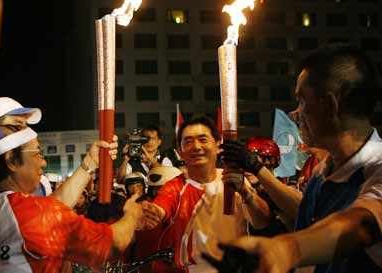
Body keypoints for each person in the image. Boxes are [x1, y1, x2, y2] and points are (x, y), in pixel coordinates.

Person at [219, 45, 382, 273]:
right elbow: (306, 218)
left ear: (330, 105)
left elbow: (361, 225)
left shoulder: (377, 168)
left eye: (302, 101)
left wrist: (286, 249)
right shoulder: (322, 172)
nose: (295, 113)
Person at [0, 125, 143, 272]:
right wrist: (132, 214)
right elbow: (113, 244)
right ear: (11, 160)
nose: (44, 162)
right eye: (38, 153)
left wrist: (91, 162)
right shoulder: (30, 214)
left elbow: (53, 205)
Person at [142, 116, 271, 273]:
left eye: (203, 139)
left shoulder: (235, 180)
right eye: (188, 142)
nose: (196, 146)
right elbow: (160, 206)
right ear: (180, 151)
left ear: (217, 145)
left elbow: (262, 222)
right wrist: (154, 213)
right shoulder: (175, 187)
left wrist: (246, 194)